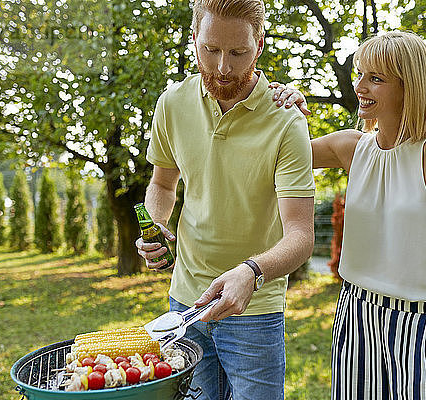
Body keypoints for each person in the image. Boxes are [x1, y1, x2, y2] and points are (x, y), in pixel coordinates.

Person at [271, 31, 426, 399]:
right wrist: (283, 106)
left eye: (376, 78)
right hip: (355, 316)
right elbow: (271, 157)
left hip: (422, 324)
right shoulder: (350, 147)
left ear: (409, 86)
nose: (360, 87)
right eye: (360, 74)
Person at [134, 1, 315, 399]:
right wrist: (155, 222)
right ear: (194, 40)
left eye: (238, 53)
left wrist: (251, 272)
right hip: (184, 303)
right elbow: (163, 184)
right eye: (210, 50)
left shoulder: (287, 121)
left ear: (260, 45)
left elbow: (301, 235)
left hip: (254, 309)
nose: (222, 68)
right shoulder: (172, 104)